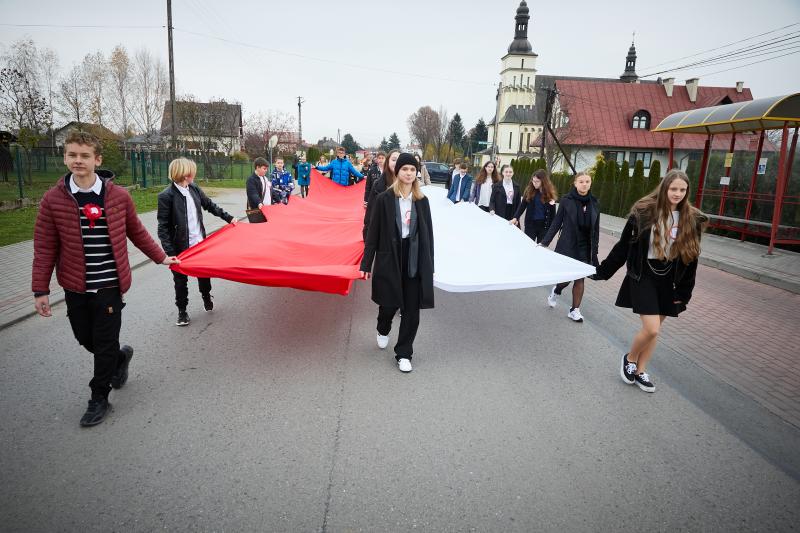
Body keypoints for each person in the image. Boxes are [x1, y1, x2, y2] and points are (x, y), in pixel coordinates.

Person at [31, 131, 179, 427]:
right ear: (65, 158)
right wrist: (40, 290)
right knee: (85, 338)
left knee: (104, 341)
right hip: (75, 285)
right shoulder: (53, 199)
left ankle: (99, 397)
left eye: (85, 155)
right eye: (72, 155)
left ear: (97, 160)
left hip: (109, 285)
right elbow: (45, 247)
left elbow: (136, 232)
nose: (78, 160)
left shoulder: (118, 196)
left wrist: (161, 257)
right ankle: (119, 358)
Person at [594, 170, 708, 393]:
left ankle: (640, 371)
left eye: (682, 190)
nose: (677, 193)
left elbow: (692, 259)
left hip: (669, 280)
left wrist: (684, 295)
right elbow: (623, 246)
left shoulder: (691, 219)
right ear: (664, 188)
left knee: (656, 329)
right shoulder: (643, 213)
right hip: (643, 275)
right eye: (673, 189)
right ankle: (630, 358)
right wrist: (602, 271)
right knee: (652, 329)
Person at [359, 153, 435, 373]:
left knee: (412, 309)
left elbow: (428, 235)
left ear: (416, 173)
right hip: (390, 256)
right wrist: (366, 264)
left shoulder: (422, 201)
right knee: (388, 304)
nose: (409, 173)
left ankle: (404, 353)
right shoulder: (385, 199)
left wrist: (430, 265)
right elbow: (373, 233)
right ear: (398, 171)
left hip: (414, 259)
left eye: (412, 170)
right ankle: (383, 328)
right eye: (405, 169)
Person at [157, 157, 236, 327]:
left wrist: (229, 218)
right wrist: (170, 252)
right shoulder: (166, 196)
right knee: (180, 281)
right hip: (180, 248)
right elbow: (162, 227)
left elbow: (210, 205)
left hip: (200, 243)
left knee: (204, 274)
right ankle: (182, 311)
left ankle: (206, 296)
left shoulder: (194, 188)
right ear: (185, 174)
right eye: (192, 171)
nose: (195, 173)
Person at [540, 171, 599, 323]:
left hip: (585, 247)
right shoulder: (567, 200)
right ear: (575, 183)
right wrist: (545, 242)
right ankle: (557, 290)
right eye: (581, 182)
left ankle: (574, 310)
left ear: (591, 183)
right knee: (566, 279)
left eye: (587, 181)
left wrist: (595, 252)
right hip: (568, 245)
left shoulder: (594, 202)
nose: (584, 184)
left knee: (580, 279)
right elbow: (557, 222)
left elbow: (596, 229)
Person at [510, 169, 557, 242]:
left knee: (541, 247)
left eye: (537, 181)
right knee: (528, 245)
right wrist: (515, 218)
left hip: (544, 227)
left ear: (543, 181)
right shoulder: (529, 191)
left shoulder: (549, 194)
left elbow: (553, 214)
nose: (534, 183)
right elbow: (522, 206)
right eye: (533, 181)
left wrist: (551, 230)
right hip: (530, 225)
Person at [363, 150, 399, 240]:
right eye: (394, 160)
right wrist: (366, 200)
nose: (381, 160)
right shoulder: (373, 173)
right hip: (377, 204)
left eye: (383, 158)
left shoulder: (408, 183)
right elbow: (368, 187)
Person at [245, 157, 271, 222]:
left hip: (268, 209)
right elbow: (253, 194)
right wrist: (259, 203)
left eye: (266, 169)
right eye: (264, 168)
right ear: (257, 167)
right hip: (258, 210)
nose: (266, 170)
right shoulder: (251, 180)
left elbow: (271, 191)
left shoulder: (265, 178)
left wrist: (279, 200)